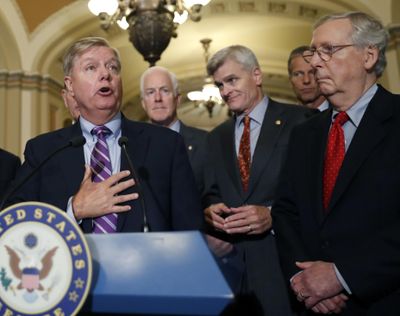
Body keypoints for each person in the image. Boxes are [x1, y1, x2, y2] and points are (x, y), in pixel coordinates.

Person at [272, 11, 400, 315]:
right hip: (314, 305)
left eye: (328, 50)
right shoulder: (304, 133)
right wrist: (303, 278)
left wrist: (341, 276)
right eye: (313, 51)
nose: (315, 62)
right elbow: (285, 211)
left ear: (368, 55)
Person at [6, 37, 203, 232]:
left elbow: (191, 230)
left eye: (113, 67)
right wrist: (73, 210)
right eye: (91, 68)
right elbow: (14, 221)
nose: (105, 75)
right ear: (70, 86)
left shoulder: (166, 144)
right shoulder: (43, 150)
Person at [202, 45, 314, 315]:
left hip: (286, 271)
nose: (225, 91)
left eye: (232, 80)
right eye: (220, 85)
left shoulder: (302, 121)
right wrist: (211, 210)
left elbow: (317, 196)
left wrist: (273, 215)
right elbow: (211, 191)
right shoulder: (216, 136)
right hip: (233, 276)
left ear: (257, 76)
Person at [140, 66, 207, 194]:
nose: (157, 98)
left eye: (165, 90)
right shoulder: (131, 146)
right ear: (143, 103)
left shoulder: (205, 142)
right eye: (150, 92)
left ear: (178, 99)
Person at [288, 46, 328, 111]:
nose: (306, 80)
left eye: (312, 72)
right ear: (290, 80)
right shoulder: (285, 119)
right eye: (298, 74)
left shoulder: (341, 116)